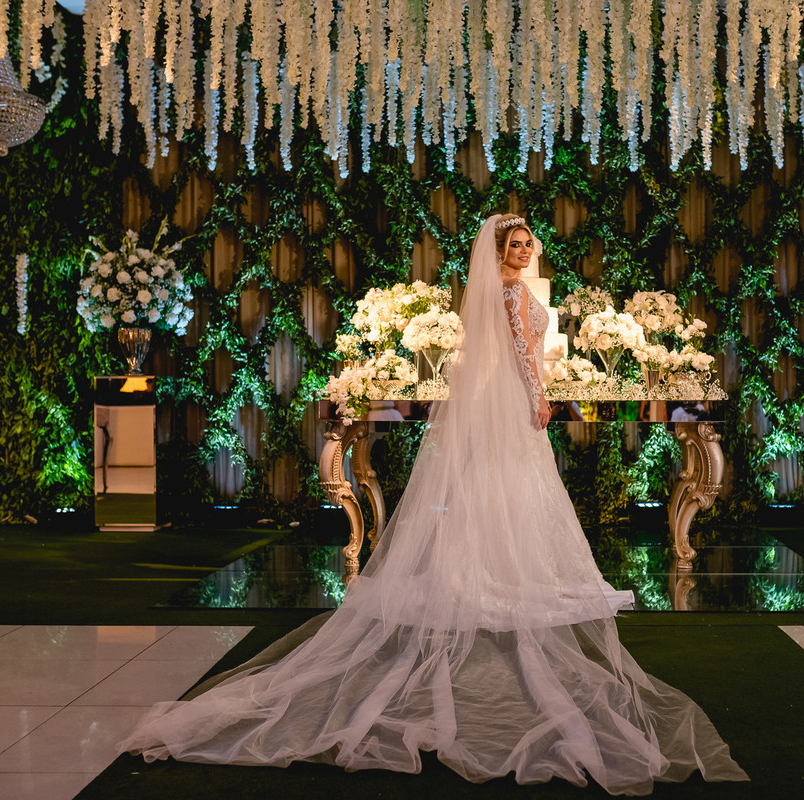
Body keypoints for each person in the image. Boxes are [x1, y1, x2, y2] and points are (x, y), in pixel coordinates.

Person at [118, 214, 748, 794]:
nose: (526, 251)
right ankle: (499, 576)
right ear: (498, 252)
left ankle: (494, 572)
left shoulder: (498, 293)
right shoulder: (506, 293)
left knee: (500, 494)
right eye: (516, 244)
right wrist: (539, 399)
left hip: (497, 408)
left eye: (529, 244)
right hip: (513, 407)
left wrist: (536, 388)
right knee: (506, 492)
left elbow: (512, 354)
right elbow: (526, 359)